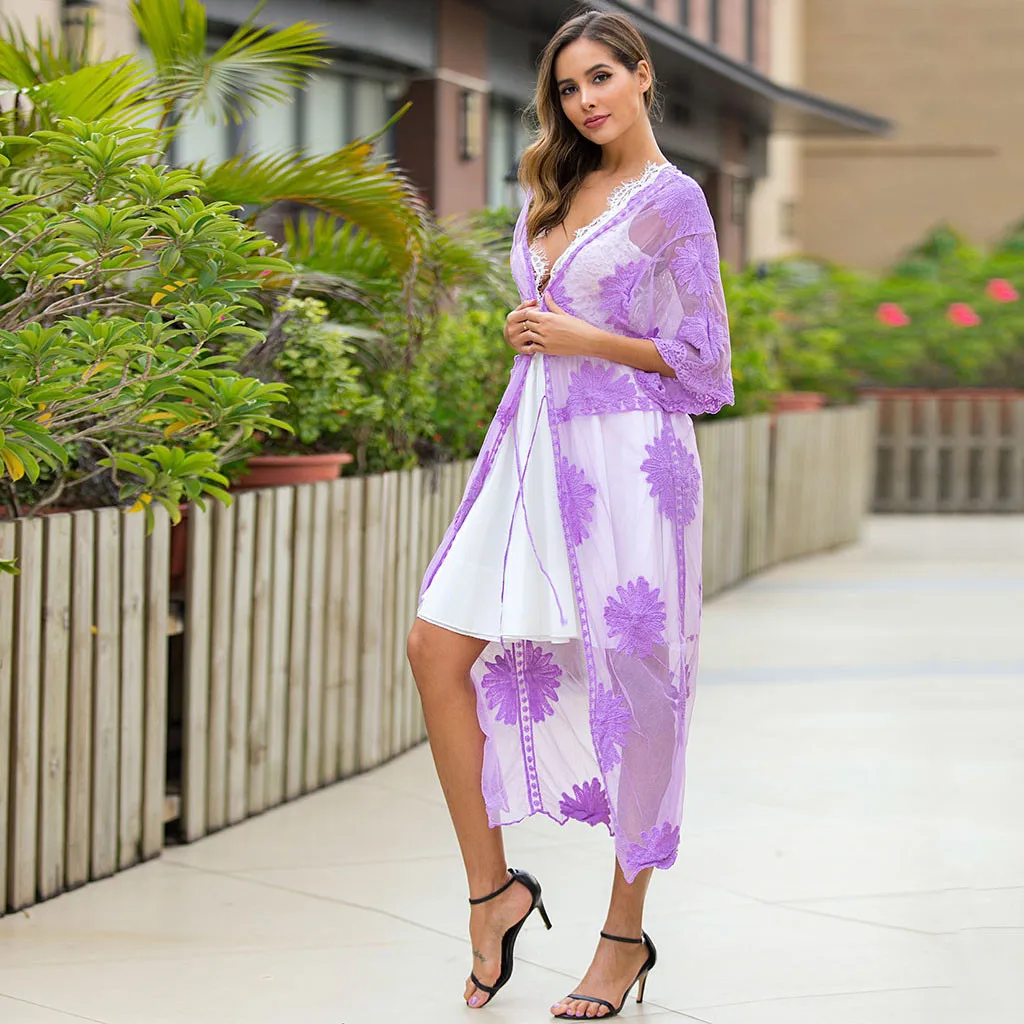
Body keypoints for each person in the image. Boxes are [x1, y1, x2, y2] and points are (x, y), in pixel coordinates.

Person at [406, 8, 734, 1019]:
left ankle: (623, 937)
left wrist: (588, 338)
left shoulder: (673, 202)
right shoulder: (551, 183)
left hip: (629, 459)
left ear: (642, 76)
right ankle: (492, 892)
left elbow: (705, 367)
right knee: (434, 646)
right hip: (533, 449)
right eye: (567, 87)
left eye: (600, 77)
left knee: (639, 688)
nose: (585, 100)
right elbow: (552, 321)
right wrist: (530, 329)